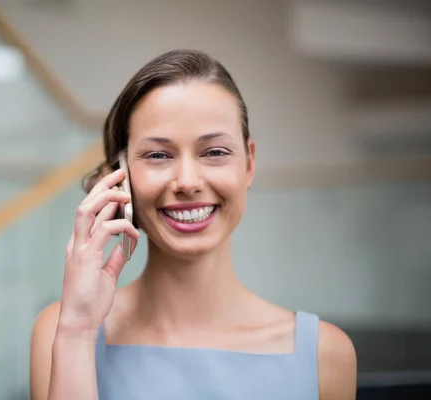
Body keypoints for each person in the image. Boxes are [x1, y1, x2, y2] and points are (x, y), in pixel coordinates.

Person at [30, 49, 357, 400]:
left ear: (249, 164)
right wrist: (79, 332)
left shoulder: (326, 355)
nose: (187, 181)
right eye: (158, 155)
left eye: (214, 152)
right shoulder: (63, 331)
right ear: (120, 178)